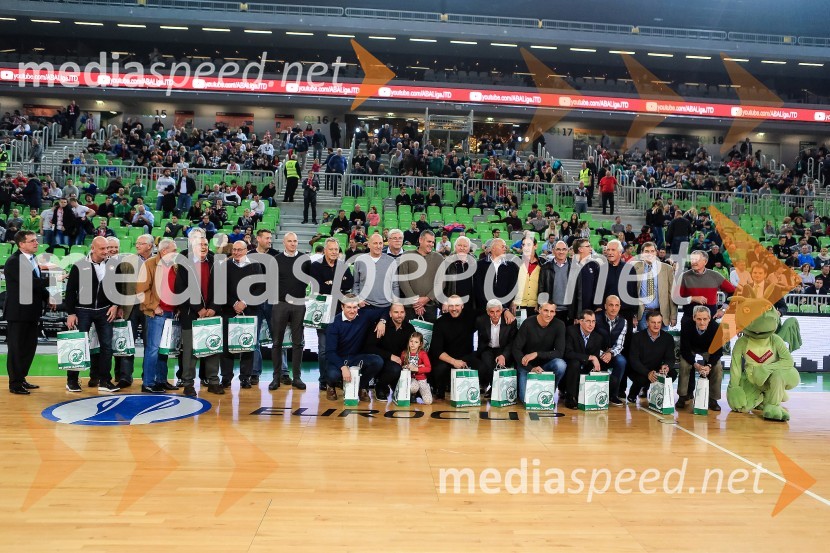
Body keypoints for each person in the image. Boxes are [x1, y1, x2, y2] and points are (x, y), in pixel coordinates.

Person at [64, 236, 121, 392]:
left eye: (107, 248)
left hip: (105, 311)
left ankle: (104, 381)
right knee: (78, 345)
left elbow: (119, 287)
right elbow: (70, 291)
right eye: (102, 249)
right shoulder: (79, 265)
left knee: (107, 347)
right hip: (82, 311)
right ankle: (72, 381)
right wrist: (71, 313)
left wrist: (116, 304)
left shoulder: (113, 265)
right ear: (93, 248)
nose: (106, 251)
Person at [172, 232, 223, 396]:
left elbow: (222, 287)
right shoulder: (184, 263)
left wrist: (213, 307)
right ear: (192, 247)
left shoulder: (215, 260)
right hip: (191, 313)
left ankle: (213, 381)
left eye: (206, 245)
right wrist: (199, 308)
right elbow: (181, 289)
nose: (204, 247)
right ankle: (188, 384)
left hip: (212, 313)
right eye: (200, 245)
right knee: (190, 351)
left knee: (212, 347)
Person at [4, 231, 51, 394]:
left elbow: (37, 286)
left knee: (29, 347)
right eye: (32, 241)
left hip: (31, 311)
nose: (36, 243)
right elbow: (29, 283)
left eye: (36, 241)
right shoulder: (14, 261)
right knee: (17, 348)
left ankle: (21, 378)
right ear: (21, 244)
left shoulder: (32, 260)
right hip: (18, 312)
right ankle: (15, 383)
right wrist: (53, 279)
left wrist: (48, 297)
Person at [216, 240, 265, 389]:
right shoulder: (225, 266)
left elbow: (260, 288)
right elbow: (221, 288)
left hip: (249, 310)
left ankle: (245, 377)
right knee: (227, 346)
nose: (236, 252)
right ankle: (226, 377)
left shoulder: (256, 265)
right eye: (234, 250)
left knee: (247, 345)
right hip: (228, 310)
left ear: (246, 250)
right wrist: (234, 304)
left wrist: (244, 302)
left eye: (239, 250)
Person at [310, 237, 355, 390]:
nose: (334, 252)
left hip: (339, 313)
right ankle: (324, 379)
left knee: (339, 347)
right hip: (322, 312)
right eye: (331, 249)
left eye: (336, 249)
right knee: (323, 349)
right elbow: (317, 287)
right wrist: (336, 286)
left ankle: (337, 378)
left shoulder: (343, 265)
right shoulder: (315, 266)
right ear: (325, 250)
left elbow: (349, 283)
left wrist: (330, 284)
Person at [136, 238, 180, 393]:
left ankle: (161, 380)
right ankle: (148, 383)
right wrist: (154, 307)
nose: (176, 253)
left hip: (170, 312)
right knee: (153, 349)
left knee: (164, 349)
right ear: (164, 251)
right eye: (174, 250)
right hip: (156, 313)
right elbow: (141, 290)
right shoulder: (149, 265)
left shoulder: (175, 266)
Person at [324, 294, 384, 401]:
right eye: (349, 307)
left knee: (377, 361)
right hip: (338, 358)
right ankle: (330, 385)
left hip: (356, 357)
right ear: (342, 307)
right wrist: (343, 367)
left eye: (355, 307)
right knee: (333, 375)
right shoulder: (333, 323)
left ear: (358, 307)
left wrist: (382, 321)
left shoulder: (364, 315)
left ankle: (361, 387)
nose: (352, 311)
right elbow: (330, 352)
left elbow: (385, 310)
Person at [270, 232, 310, 390]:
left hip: (299, 304)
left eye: (295, 241)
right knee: (276, 343)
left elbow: (308, 281)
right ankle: (276, 378)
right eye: (290, 241)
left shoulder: (305, 260)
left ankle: (297, 378)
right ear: (284, 243)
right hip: (280, 304)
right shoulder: (276, 260)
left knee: (298, 343)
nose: (293, 244)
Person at [510, 301, 567, 405]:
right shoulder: (528, 323)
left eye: (552, 311)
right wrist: (531, 368)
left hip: (545, 364)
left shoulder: (559, 325)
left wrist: (537, 354)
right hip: (526, 365)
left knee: (561, 364)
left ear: (555, 313)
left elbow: (559, 353)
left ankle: (549, 391)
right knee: (526, 400)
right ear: (539, 310)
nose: (549, 314)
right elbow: (516, 349)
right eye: (545, 310)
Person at [428, 295, 477, 400]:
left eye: (457, 305)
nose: (454, 309)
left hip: (465, 356)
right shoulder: (440, 323)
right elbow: (436, 350)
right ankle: (439, 391)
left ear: (462, 306)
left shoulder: (471, 317)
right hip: (447, 358)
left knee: (482, 366)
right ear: (447, 306)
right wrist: (454, 361)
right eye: (451, 306)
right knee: (440, 368)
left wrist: (505, 310)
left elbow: (488, 310)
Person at [364, 302, 416, 401]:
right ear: (390, 314)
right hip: (382, 361)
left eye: (402, 312)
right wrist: (390, 356)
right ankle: (379, 385)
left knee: (405, 389)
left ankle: (392, 383)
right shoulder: (381, 326)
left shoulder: (409, 328)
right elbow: (369, 347)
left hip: (400, 362)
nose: (399, 315)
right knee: (394, 369)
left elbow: (411, 347)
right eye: (396, 312)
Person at [676, 305, 723, 412]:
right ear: (694, 318)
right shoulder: (686, 326)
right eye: (699, 319)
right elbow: (685, 351)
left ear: (710, 319)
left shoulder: (717, 328)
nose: (702, 322)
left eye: (705, 319)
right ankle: (682, 396)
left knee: (717, 367)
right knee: (684, 365)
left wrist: (709, 365)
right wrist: (695, 364)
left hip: (709, 350)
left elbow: (718, 352)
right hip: (691, 349)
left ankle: (713, 399)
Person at [627, 311, 677, 404]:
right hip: (640, 370)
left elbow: (670, 358)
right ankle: (634, 392)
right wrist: (647, 373)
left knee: (672, 374)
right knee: (642, 379)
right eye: (653, 322)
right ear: (647, 323)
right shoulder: (637, 337)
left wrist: (666, 366)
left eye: (659, 322)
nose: (656, 325)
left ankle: (655, 393)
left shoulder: (668, 338)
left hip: (656, 369)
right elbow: (634, 360)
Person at [563, 310, 609, 408]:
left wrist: (593, 360)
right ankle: (570, 397)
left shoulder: (598, 337)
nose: (591, 324)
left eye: (593, 321)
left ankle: (588, 395)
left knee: (603, 373)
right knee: (575, 363)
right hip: (570, 366)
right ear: (580, 321)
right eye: (588, 321)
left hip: (585, 367)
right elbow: (568, 353)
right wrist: (590, 357)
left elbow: (594, 360)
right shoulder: (570, 331)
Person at [472, 299, 517, 397]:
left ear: (501, 311)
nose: (495, 315)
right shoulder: (481, 320)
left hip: (503, 349)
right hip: (487, 348)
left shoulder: (510, 322)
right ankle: (488, 386)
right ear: (488, 312)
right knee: (487, 365)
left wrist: (504, 355)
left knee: (499, 366)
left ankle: (494, 390)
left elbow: (512, 342)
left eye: (498, 311)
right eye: (492, 312)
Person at [352, 233, 400, 324]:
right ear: (369, 244)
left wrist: (395, 305)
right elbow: (355, 283)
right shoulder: (359, 260)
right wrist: (358, 299)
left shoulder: (391, 261)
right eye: (375, 243)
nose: (378, 246)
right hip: (365, 307)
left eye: (380, 243)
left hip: (385, 308)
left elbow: (395, 285)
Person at [677, 250, 736, 323]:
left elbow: (733, 292)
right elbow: (676, 299)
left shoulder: (715, 276)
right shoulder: (684, 276)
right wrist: (692, 298)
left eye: (697, 259)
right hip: (689, 320)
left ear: (705, 262)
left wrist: (723, 309)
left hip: (710, 321)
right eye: (692, 259)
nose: (693, 262)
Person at [398, 230, 443, 322]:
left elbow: (442, 282)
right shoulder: (406, 255)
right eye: (429, 241)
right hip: (410, 307)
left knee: (429, 336)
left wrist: (427, 299)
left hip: (430, 307)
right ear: (420, 240)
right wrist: (416, 302)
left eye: (433, 242)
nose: (431, 244)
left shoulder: (439, 258)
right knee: (410, 335)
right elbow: (403, 281)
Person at [633, 241, 678, 331]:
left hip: (662, 314)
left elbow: (672, 294)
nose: (650, 254)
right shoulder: (634, 267)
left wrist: (673, 316)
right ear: (642, 253)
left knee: (661, 343)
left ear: (656, 252)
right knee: (644, 343)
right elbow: (631, 293)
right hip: (642, 314)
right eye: (646, 251)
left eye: (652, 251)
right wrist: (633, 315)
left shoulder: (667, 269)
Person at [402, 332, 433, 405]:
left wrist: (417, 369)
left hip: (421, 379)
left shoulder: (423, 354)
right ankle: (412, 394)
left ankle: (422, 391)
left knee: (428, 402)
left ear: (420, 344)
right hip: (410, 378)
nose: (413, 344)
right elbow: (401, 366)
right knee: (413, 387)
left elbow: (428, 368)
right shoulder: (404, 353)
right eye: (411, 341)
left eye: (416, 342)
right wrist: (406, 367)